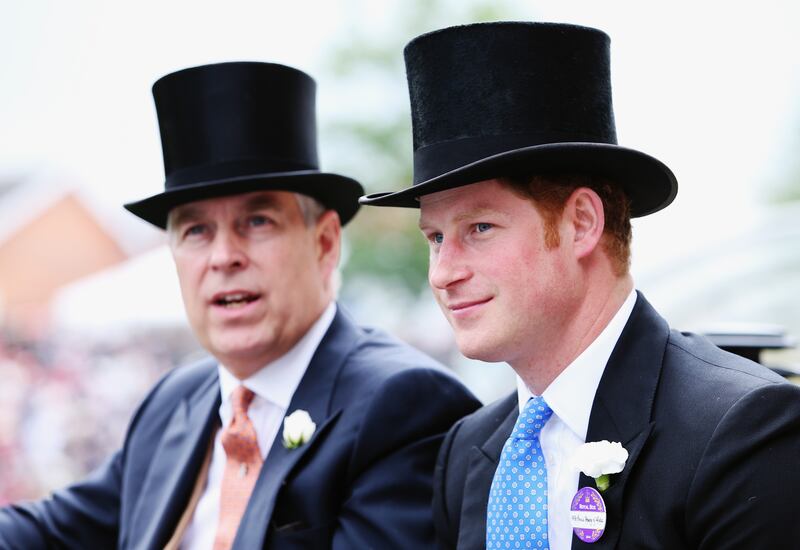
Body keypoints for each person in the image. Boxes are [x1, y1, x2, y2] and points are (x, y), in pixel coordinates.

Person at [0, 61, 480, 549]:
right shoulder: (177, 401)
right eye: (196, 230)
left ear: (324, 243)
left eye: (257, 222)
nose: (224, 257)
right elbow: (49, 533)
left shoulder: (402, 405)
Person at [360, 22, 800, 550]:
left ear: (582, 223)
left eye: (479, 229)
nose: (442, 272)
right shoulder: (469, 449)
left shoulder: (739, 430)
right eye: (434, 237)